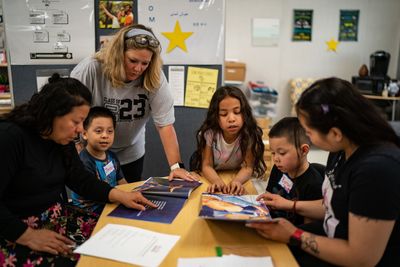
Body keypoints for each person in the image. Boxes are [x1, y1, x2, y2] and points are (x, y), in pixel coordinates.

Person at [0, 74, 156, 266]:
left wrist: (118, 195)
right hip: (14, 229)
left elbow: (78, 177)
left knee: (120, 241)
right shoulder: (10, 138)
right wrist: (27, 235)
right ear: (52, 114)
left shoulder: (60, 138)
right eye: (76, 122)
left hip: (55, 217)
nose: (80, 129)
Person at [247, 77, 400, 267]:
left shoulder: (377, 169)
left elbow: (362, 258)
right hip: (328, 237)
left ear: (335, 133)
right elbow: (334, 205)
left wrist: (294, 234)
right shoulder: (339, 150)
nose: (307, 137)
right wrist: (290, 205)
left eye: (308, 132)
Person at [70, 24, 197, 183]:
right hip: (91, 150)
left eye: (145, 63)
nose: (138, 69)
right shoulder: (91, 69)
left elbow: (165, 125)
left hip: (130, 150)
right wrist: (78, 148)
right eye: (133, 60)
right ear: (118, 53)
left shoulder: (154, 77)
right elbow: (70, 112)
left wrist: (176, 167)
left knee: (129, 195)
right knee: (93, 199)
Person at [191, 86, 266, 195]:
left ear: (244, 113)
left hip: (234, 174)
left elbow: (248, 167)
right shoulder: (210, 134)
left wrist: (237, 181)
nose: (231, 119)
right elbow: (206, 166)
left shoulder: (248, 134)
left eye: (237, 112)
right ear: (216, 117)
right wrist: (217, 181)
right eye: (224, 114)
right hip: (213, 174)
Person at [258, 117, 323, 225]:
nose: (276, 159)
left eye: (282, 153)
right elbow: (268, 199)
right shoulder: (278, 168)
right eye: (273, 153)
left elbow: (307, 229)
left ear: (303, 150)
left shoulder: (314, 184)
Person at [71, 106, 127, 215]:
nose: (105, 135)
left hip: (109, 204)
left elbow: (122, 182)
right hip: (89, 212)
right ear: (85, 134)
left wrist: (131, 194)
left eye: (110, 131)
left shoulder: (112, 157)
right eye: (98, 131)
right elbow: (93, 193)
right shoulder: (84, 162)